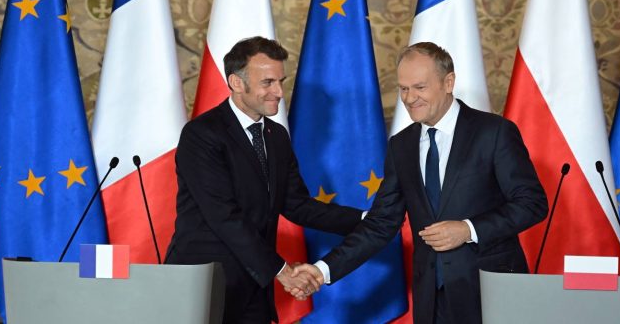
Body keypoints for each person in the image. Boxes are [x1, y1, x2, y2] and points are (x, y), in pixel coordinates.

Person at [294, 42, 548, 323]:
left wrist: (468, 229)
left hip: (491, 291)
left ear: (448, 82)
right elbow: (381, 223)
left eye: (420, 87)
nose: (409, 98)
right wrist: (322, 270)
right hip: (432, 298)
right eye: (403, 89)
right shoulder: (401, 145)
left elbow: (532, 204)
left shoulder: (494, 132)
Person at [165, 36, 363, 324]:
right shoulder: (202, 134)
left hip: (255, 286)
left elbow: (297, 205)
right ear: (236, 82)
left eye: (281, 81)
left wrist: (370, 219)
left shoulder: (276, 136)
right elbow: (224, 216)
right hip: (204, 286)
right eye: (267, 83)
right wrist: (282, 272)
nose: (279, 92)